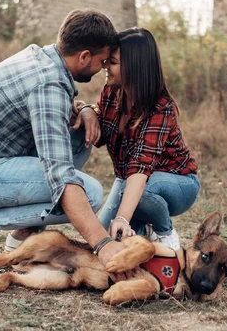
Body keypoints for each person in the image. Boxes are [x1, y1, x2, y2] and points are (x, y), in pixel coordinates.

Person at [0, 9, 128, 269]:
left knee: (78, 137)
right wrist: (102, 244)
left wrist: (84, 109)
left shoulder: (44, 58)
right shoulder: (49, 85)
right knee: (88, 193)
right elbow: (61, 176)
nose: (103, 67)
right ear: (84, 56)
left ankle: (22, 234)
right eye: (102, 61)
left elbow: (50, 112)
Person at [82, 28, 199, 250]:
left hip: (178, 183)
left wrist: (123, 218)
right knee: (101, 242)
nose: (105, 65)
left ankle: (166, 233)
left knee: (136, 197)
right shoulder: (111, 92)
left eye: (113, 62)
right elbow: (98, 126)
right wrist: (87, 110)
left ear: (134, 67)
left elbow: (141, 166)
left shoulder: (160, 107)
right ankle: (143, 229)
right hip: (129, 181)